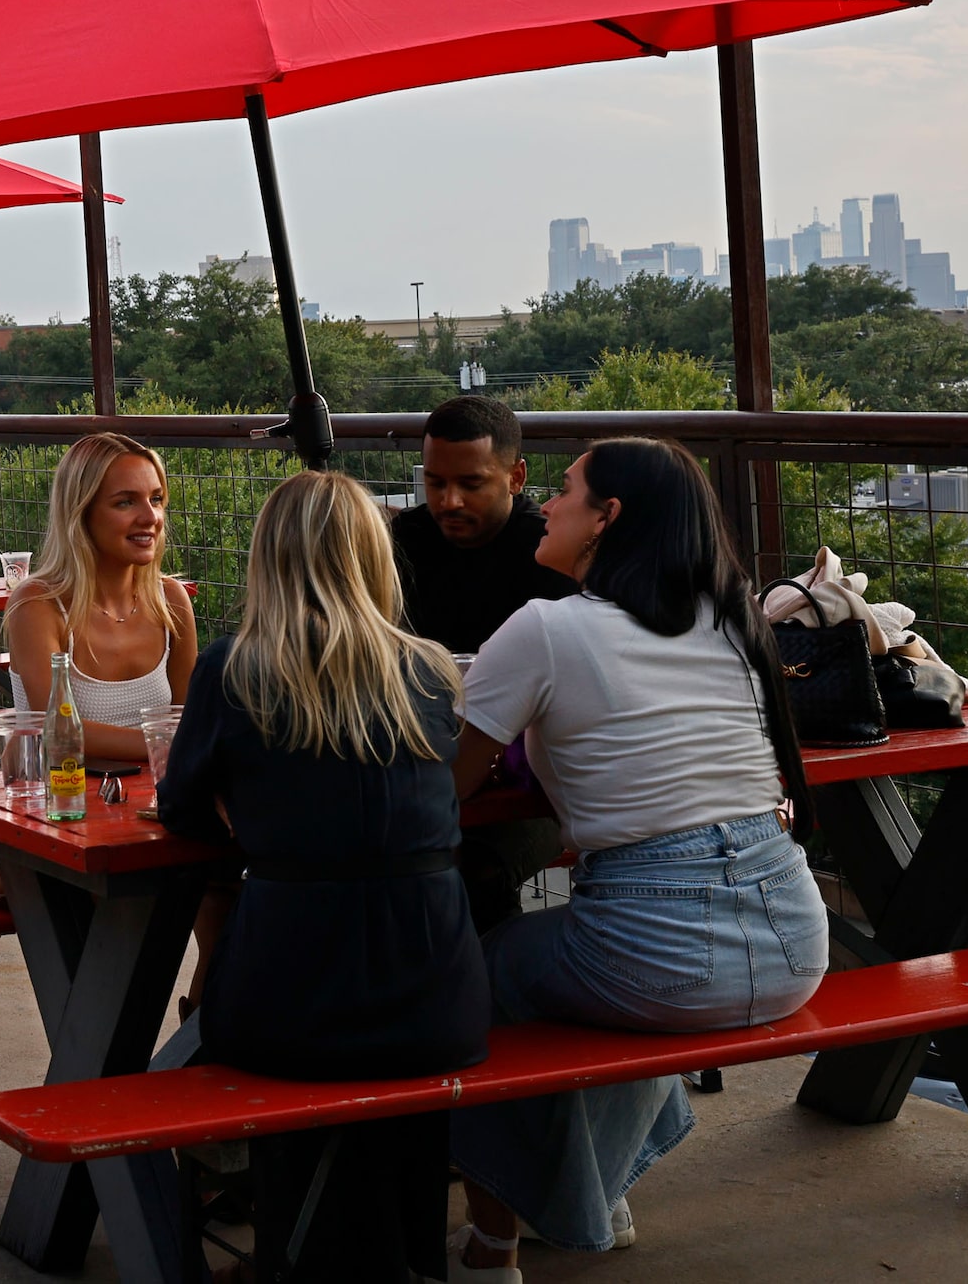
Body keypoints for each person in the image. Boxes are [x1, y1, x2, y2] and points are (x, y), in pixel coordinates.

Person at [446, 437, 824, 1278]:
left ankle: (492, 1246)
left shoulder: (544, 627)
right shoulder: (730, 619)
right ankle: (594, 1193)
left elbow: (443, 793)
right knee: (605, 993)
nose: (547, 502)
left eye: (567, 490)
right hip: (796, 936)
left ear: (607, 518)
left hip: (662, 953)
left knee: (474, 978)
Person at [159, 470, 487, 1279]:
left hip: (289, 1007)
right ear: (375, 557)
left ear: (267, 558)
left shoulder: (234, 667)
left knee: (176, 1056)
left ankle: (285, 1246)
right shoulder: (433, 667)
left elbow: (183, 813)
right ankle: (405, 1255)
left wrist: (255, 812)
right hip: (438, 999)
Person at [0, 432, 196, 902]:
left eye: (156, 499)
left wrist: (184, 745)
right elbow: (58, 732)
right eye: (126, 502)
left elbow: (188, 718)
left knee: (221, 884)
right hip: (58, 810)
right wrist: (171, 744)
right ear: (81, 513)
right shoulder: (39, 603)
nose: (150, 517)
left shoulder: (171, 600)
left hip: (149, 809)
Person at [391, 394, 576, 933]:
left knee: (465, 873)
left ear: (516, 477)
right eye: (433, 483)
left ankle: (483, 994)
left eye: (471, 484)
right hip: (427, 761)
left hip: (531, 786)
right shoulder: (402, 542)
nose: (448, 501)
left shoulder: (549, 551)